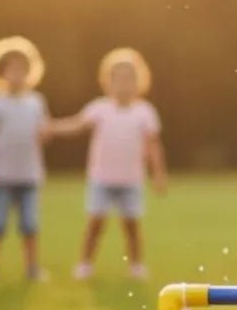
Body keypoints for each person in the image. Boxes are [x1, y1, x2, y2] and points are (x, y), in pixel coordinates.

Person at [48, 48, 167, 280]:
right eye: (119, 79)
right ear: (108, 82)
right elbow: (76, 125)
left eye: (129, 79)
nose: (124, 84)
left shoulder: (145, 112)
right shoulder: (99, 108)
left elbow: (154, 146)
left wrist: (158, 174)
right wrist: (51, 127)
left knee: (132, 226)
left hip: (131, 180)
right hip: (101, 178)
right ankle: (84, 265)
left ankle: (136, 266)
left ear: (139, 82)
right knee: (95, 223)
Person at [0, 36, 50, 283]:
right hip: (1, 176)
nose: (17, 75)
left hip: (29, 175)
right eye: (12, 69)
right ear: (0, 72)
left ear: (31, 72)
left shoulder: (36, 102)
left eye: (22, 69)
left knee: (30, 226)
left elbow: (43, 135)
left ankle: (32, 269)